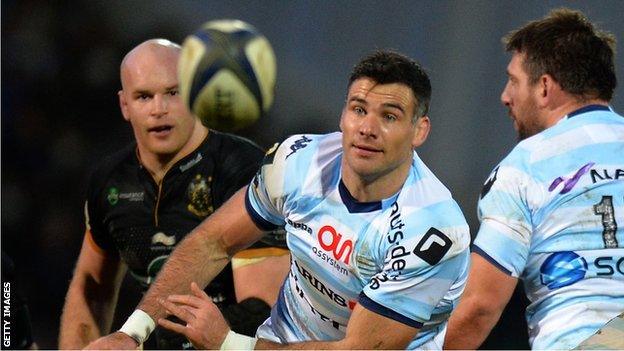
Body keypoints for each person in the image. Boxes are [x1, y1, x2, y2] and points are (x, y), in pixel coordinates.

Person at [85, 50, 471, 350]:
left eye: (389, 116)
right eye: (358, 109)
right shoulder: (298, 161)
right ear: (343, 115)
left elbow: (359, 347)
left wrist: (229, 343)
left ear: (419, 130)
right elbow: (213, 242)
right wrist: (132, 332)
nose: (367, 129)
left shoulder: (434, 230)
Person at [58, 39, 290, 349]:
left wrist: (152, 338)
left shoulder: (241, 166)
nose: (159, 109)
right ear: (124, 105)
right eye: (143, 96)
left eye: (173, 93)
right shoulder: (110, 181)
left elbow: (261, 308)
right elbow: (91, 288)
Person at [444, 8, 623, 350]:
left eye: (513, 80)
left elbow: (479, 307)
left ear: (544, 87)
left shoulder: (525, 166)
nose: (505, 96)